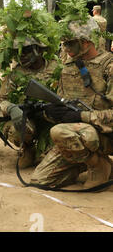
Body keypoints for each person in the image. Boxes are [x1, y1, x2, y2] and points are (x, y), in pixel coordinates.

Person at [31, 17, 112, 189]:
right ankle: (84, 161)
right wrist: (52, 112)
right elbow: (64, 104)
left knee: (59, 131)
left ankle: (99, 165)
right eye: (64, 44)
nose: (66, 49)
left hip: (105, 135)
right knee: (40, 181)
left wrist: (81, 115)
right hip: (76, 138)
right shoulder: (68, 68)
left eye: (70, 44)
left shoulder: (108, 67)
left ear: (85, 42)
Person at [0, 36, 59, 168]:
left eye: (26, 50)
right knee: (16, 129)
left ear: (38, 50)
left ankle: (50, 149)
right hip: (29, 118)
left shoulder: (56, 68)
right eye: (19, 52)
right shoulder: (16, 73)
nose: (22, 55)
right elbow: (1, 100)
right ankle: (28, 149)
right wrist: (12, 109)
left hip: (53, 118)